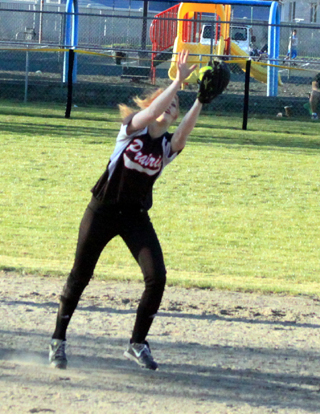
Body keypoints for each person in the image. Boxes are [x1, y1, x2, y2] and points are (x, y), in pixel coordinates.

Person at [49, 50, 204, 371]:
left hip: (135, 216)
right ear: (153, 107)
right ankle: (58, 340)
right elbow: (153, 112)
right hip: (102, 210)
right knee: (81, 275)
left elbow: (184, 135)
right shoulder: (131, 130)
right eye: (165, 102)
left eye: (175, 105)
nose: (171, 105)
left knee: (156, 277)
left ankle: (137, 343)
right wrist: (177, 81)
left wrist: (201, 99)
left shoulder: (166, 147)